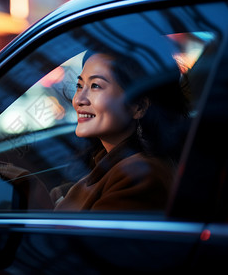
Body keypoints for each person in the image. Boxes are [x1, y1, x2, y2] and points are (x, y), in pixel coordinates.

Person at [53, 51, 189, 211]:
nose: (79, 100)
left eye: (95, 86)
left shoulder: (139, 175)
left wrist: (32, 190)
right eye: (79, 86)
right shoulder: (109, 163)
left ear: (139, 107)